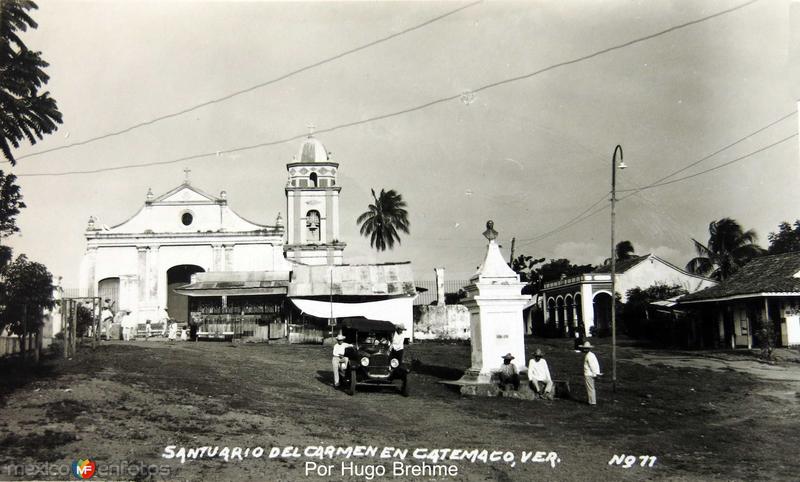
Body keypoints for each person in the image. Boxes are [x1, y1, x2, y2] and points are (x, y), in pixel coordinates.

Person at [580, 341, 602, 406]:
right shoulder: (591, 355)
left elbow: (593, 365)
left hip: (589, 374)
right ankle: (591, 401)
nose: (584, 349)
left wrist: (595, 373)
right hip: (589, 374)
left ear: (588, 349)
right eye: (584, 348)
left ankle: (592, 402)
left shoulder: (589, 356)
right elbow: (596, 365)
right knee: (590, 388)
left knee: (590, 388)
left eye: (586, 348)